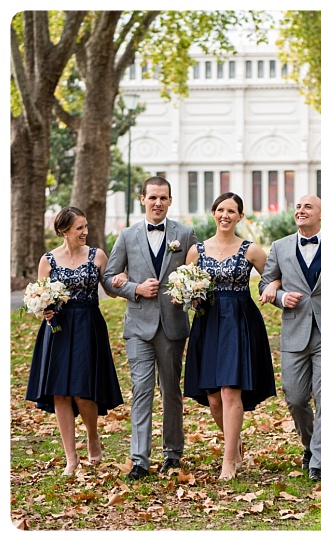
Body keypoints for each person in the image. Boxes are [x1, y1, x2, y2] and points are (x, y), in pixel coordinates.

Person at [103, 176, 197, 480]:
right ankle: (139, 459)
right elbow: (108, 278)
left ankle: (173, 454)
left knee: (170, 390)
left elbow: (197, 275)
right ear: (143, 199)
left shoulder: (185, 234)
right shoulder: (127, 236)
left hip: (172, 326)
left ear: (170, 201)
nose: (158, 203)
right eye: (152, 197)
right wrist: (134, 289)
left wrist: (189, 294)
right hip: (138, 326)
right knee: (141, 389)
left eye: (163, 198)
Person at [257, 195, 321, 481]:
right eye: (298, 207)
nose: (301, 210)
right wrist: (279, 296)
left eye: (307, 207)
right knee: (296, 398)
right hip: (294, 331)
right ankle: (310, 445)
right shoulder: (280, 247)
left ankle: (318, 461)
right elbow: (266, 282)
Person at [183, 193, 277, 481]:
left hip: (239, 320)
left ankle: (228, 462)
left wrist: (272, 286)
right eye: (221, 209)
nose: (226, 215)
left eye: (232, 211)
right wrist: (190, 298)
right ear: (213, 213)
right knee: (213, 398)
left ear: (240, 216)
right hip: (207, 321)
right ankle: (233, 442)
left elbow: (273, 275)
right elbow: (186, 286)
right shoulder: (196, 251)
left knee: (230, 391)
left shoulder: (251, 250)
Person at [26, 206, 124, 476]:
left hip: (88, 326)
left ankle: (92, 436)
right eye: (79, 227)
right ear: (64, 231)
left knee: (82, 392)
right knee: (60, 392)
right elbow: (39, 296)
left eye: (86, 226)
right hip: (57, 329)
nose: (85, 232)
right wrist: (42, 309)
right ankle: (71, 457)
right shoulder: (48, 260)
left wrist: (123, 281)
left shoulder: (97, 255)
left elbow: (111, 292)